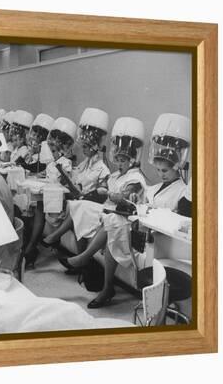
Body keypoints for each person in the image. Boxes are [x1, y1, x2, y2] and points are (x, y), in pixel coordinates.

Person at [89, 113, 190, 308]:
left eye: (165, 171)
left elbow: (175, 218)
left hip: (160, 239)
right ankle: (106, 286)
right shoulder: (154, 188)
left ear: (177, 168)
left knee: (115, 225)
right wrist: (137, 200)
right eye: (158, 171)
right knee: (114, 226)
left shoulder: (182, 191)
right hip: (143, 230)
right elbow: (143, 204)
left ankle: (104, 285)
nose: (161, 175)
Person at [41, 117, 147, 274]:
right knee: (78, 206)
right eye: (117, 160)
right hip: (107, 209)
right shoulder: (115, 175)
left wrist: (104, 192)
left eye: (122, 160)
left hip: (121, 217)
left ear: (132, 160)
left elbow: (122, 197)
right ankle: (75, 255)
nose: (119, 164)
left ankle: (76, 254)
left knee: (81, 207)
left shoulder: (135, 178)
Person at [23, 116, 77, 268]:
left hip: (61, 199)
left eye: (54, 151)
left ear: (62, 150)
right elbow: (44, 176)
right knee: (35, 204)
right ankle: (30, 244)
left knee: (39, 206)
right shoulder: (52, 164)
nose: (52, 154)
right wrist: (36, 178)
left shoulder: (65, 164)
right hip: (52, 196)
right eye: (51, 150)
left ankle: (32, 246)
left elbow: (64, 183)